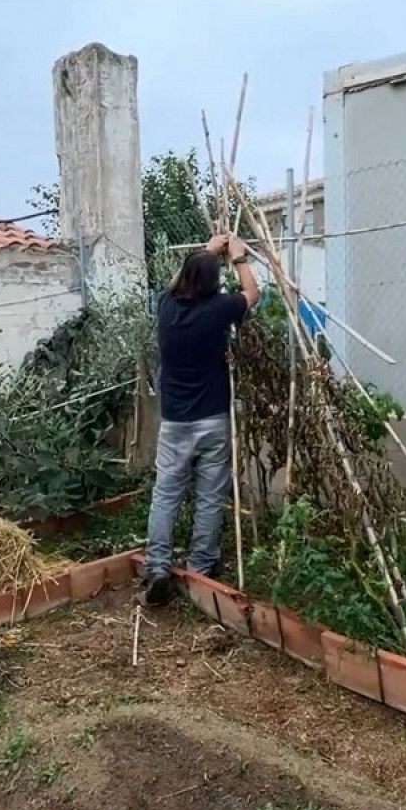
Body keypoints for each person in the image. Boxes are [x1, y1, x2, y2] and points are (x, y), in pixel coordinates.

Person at [141, 232, 260, 606]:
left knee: (166, 493)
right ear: (213, 283)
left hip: (175, 422)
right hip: (212, 419)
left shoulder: (165, 307)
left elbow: (182, 279)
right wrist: (239, 258)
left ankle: (158, 566)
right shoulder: (219, 309)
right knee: (210, 496)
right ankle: (199, 566)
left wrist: (208, 252)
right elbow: (252, 294)